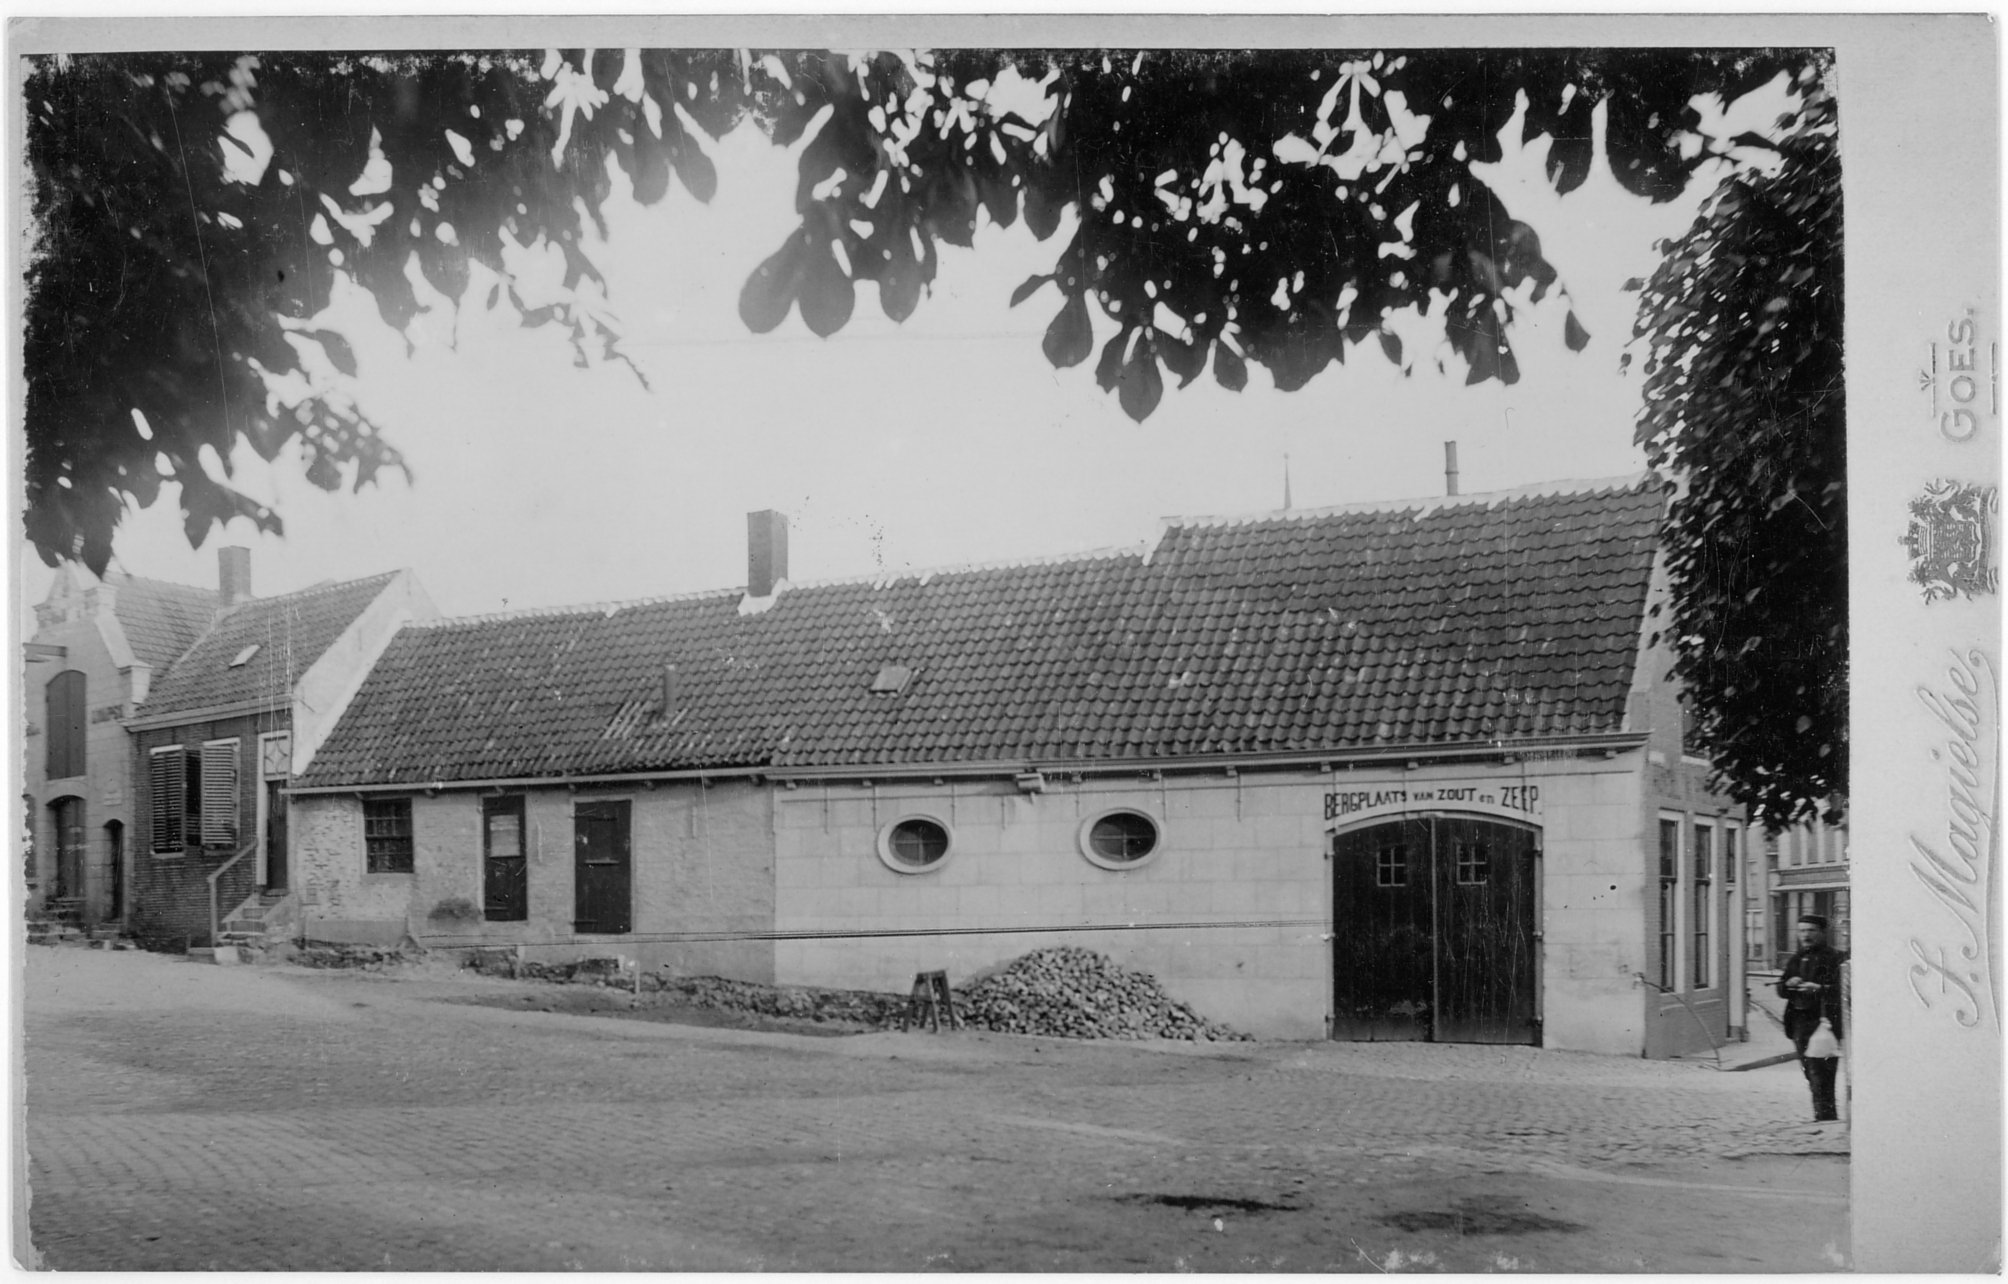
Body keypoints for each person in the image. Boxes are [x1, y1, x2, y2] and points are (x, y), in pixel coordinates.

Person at [1777, 914, 1846, 1121]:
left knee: (1823, 1073)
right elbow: (1781, 989)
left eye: (1811, 930)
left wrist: (1819, 988)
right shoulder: (1796, 959)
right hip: (1799, 1023)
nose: (1805, 935)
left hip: (1824, 1023)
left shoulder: (1836, 958)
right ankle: (1823, 1115)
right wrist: (1788, 984)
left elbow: (1844, 990)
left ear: (1823, 933)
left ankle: (1825, 1117)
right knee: (1810, 1073)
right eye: (1802, 930)